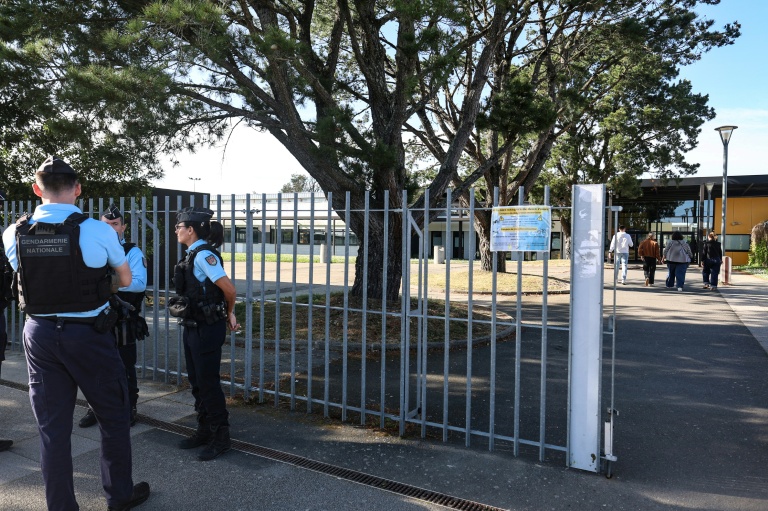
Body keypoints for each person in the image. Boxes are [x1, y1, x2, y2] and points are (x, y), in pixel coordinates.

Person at [2, 155, 150, 511]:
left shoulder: (12, 232)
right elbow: (126, 280)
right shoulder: (98, 230)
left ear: (37, 190)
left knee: (52, 431)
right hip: (88, 335)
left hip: (38, 335)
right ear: (78, 189)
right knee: (113, 419)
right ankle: (118, 495)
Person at [172, 207, 239, 461]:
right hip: (192, 327)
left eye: (179, 227)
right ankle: (204, 430)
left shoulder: (203, 256)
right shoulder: (192, 255)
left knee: (208, 384)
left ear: (190, 230)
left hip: (206, 329)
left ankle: (221, 438)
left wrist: (229, 314)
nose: (177, 231)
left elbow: (229, 290)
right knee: (197, 382)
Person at [79, 205, 149, 429]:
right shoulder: (93, 249)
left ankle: (129, 408)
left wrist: (109, 285)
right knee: (94, 366)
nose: (110, 228)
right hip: (96, 318)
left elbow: (138, 284)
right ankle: (95, 408)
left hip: (123, 319)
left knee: (124, 367)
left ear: (123, 227)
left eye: (115, 224)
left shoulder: (131, 252)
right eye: (106, 224)